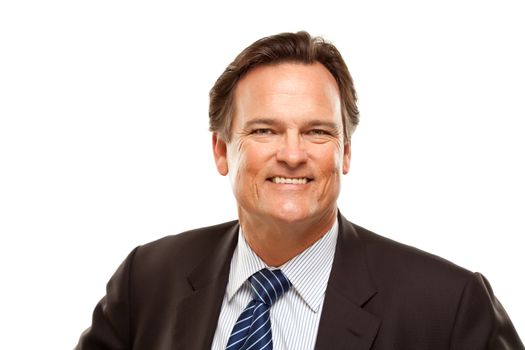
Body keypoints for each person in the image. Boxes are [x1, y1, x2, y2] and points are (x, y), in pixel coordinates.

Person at [76, 31, 523, 350]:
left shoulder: (449, 306)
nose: (292, 154)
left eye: (317, 132)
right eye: (265, 130)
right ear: (221, 150)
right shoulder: (146, 281)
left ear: (345, 153)